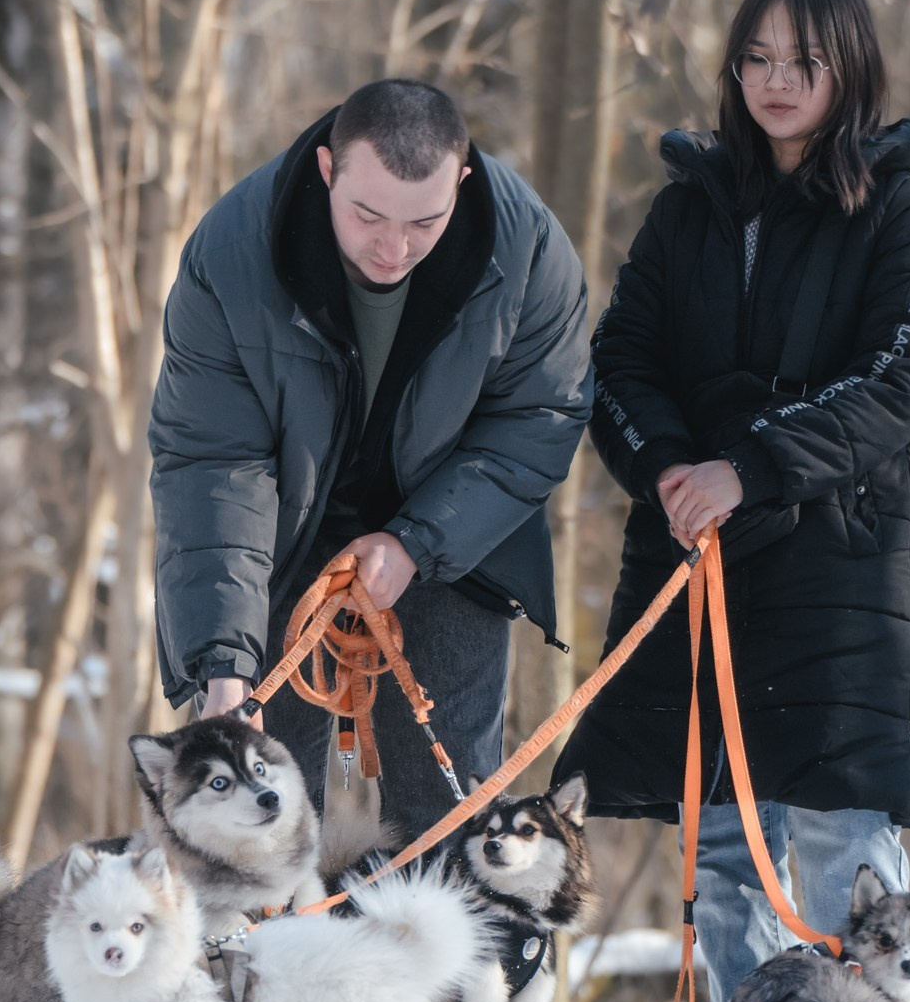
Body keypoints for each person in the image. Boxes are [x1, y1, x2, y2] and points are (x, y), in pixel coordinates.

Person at [556, 0, 910, 1002]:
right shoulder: (688, 205)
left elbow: (902, 378)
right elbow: (620, 359)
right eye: (757, 60)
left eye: (804, 61)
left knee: (843, 841)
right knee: (724, 844)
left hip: (839, 562)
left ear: (849, 68)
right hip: (702, 559)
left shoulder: (900, 206)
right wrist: (674, 469)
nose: (776, 83)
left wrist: (757, 465)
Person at [150, 78, 591, 847]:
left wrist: (416, 542)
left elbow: (539, 417)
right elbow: (213, 461)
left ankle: (458, 963)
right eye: (367, 216)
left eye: (424, 221)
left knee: (449, 810)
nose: (393, 248)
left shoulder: (530, 251)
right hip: (281, 535)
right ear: (328, 168)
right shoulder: (229, 252)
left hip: (456, 529)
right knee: (259, 811)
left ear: (461, 181)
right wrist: (222, 660)